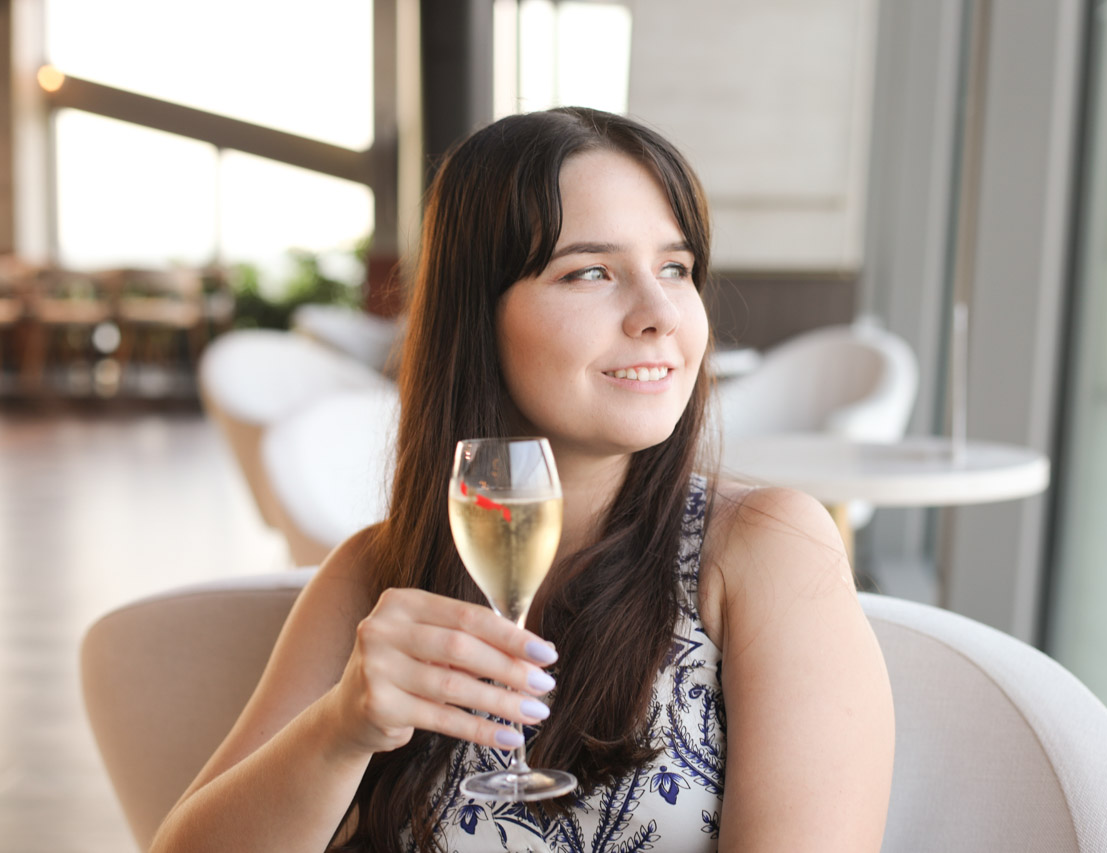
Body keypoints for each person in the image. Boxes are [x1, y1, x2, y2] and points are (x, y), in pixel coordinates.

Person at [151, 107, 894, 853]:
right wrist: (343, 730)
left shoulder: (766, 549)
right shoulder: (377, 575)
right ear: (479, 316)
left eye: (676, 267)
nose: (661, 312)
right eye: (591, 272)